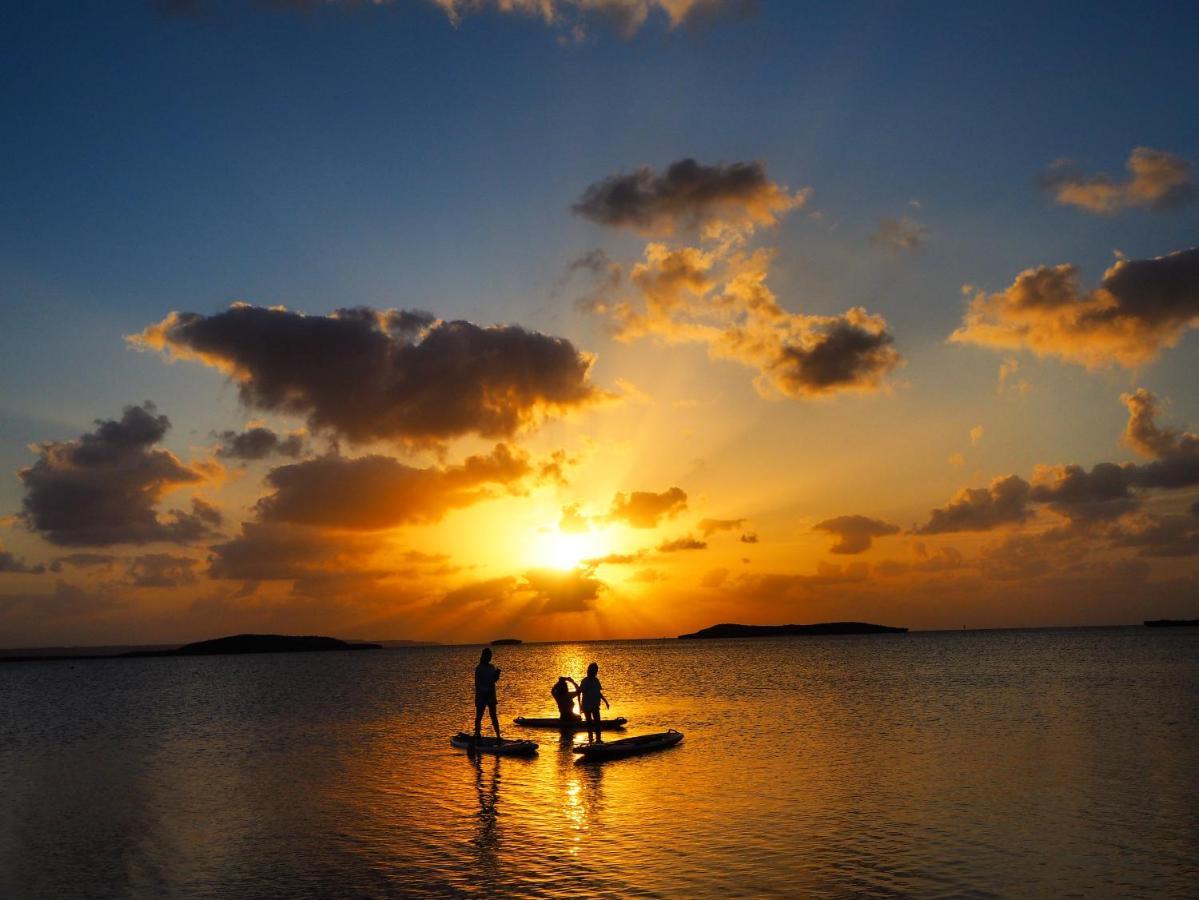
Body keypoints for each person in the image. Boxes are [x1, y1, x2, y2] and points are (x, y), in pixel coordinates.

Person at [473, 647, 502, 748]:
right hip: (482, 696)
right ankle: (477, 735)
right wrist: (485, 690)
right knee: (479, 716)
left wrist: (496, 676)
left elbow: (492, 680)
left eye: (491, 655)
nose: (490, 657)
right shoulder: (479, 668)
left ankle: (498, 736)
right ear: (484, 656)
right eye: (488, 655)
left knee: (494, 716)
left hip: (491, 695)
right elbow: (477, 684)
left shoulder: (491, 667)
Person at [578, 662, 609, 743]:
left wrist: (605, 701)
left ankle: (598, 740)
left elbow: (598, 693)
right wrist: (580, 706)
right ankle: (591, 741)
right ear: (590, 671)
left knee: (598, 724)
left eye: (596, 670)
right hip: (586, 706)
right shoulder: (585, 681)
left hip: (595, 705)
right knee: (590, 725)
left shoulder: (596, 680)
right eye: (595, 670)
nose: (596, 672)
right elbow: (579, 692)